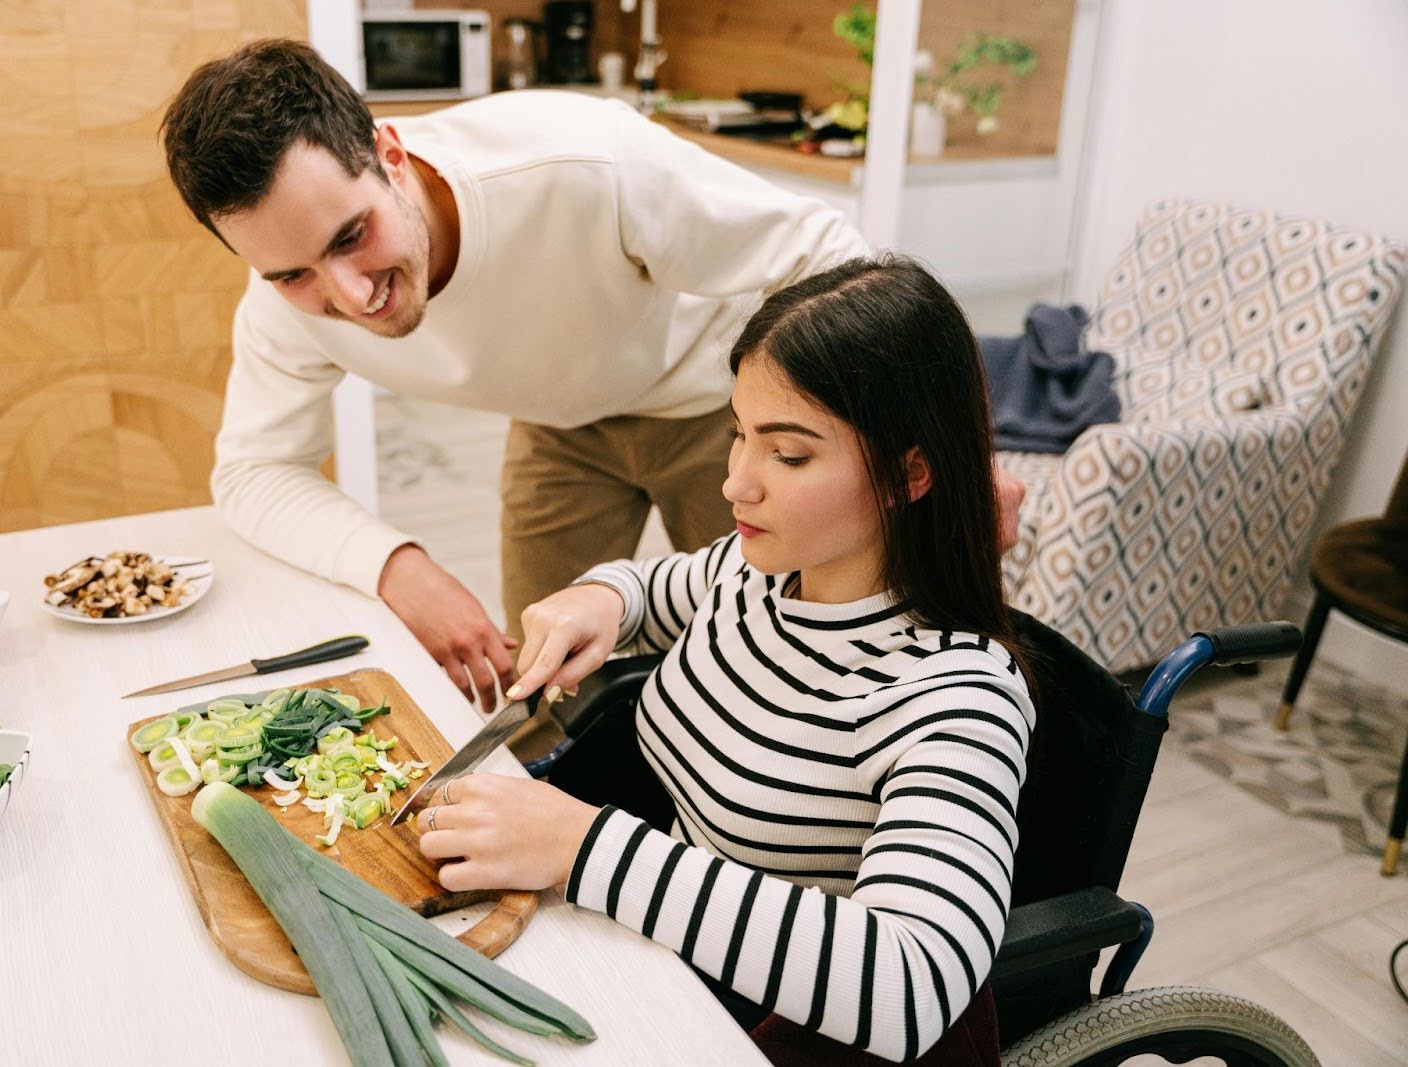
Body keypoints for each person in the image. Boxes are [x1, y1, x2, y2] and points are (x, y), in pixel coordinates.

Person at [159, 40, 1024, 711]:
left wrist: (955, 454)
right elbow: (251, 471)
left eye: (352, 237)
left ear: (389, 152)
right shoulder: (283, 300)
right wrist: (400, 568)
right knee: (542, 683)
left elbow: (834, 259)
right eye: (292, 273)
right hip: (559, 422)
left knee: (781, 671)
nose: (348, 297)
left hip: (712, 413)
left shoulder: (581, 163)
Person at [410, 255, 1036, 1065]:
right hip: (667, 965)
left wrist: (585, 846)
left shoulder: (958, 697)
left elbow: (912, 984)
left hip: (768, 1024)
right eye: (738, 434)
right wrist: (596, 602)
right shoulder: (756, 572)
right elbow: (646, 590)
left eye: (790, 454)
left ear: (909, 474)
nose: (737, 483)